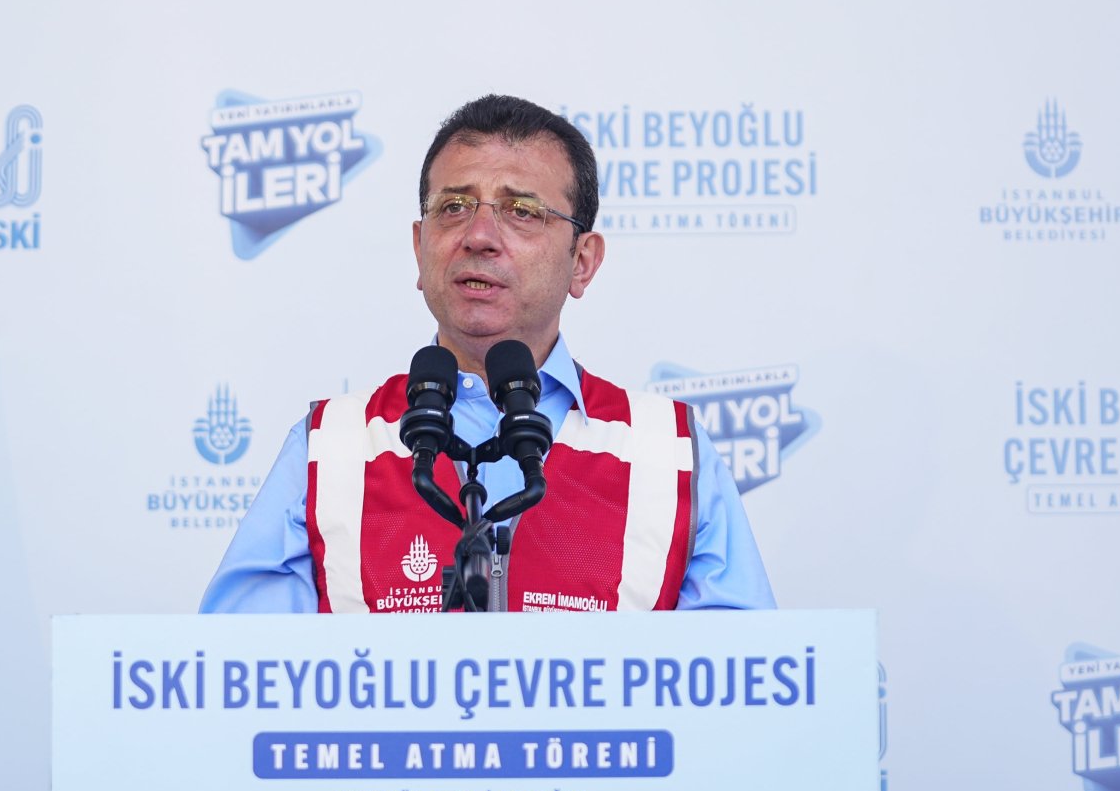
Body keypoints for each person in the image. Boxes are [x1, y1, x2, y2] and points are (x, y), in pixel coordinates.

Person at [200, 94, 775, 613]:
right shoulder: (330, 447)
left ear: (583, 261)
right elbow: (243, 684)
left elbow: (739, 700)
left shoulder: (666, 451)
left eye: (522, 211)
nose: (478, 235)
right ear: (420, 248)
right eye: (453, 206)